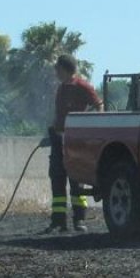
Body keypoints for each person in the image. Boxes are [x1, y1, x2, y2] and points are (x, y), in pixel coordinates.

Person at [45, 55, 101, 233]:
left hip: (76, 141)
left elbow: (98, 105)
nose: (55, 72)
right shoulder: (61, 88)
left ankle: (79, 220)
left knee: (76, 180)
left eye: (57, 69)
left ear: (64, 69)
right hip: (58, 140)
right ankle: (58, 221)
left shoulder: (82, 86)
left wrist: (91, 128)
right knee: (57, 179)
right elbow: (58, 115)